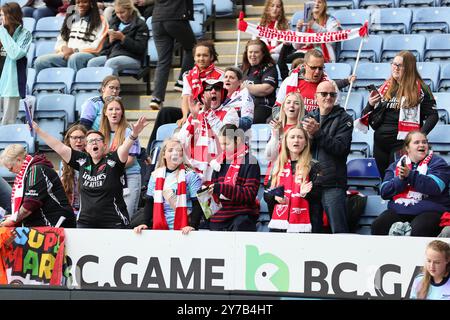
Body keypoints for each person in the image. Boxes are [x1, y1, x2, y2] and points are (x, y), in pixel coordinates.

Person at [32, 116, 149, 228]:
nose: (94, 143)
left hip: (114, 221)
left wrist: (134, 134)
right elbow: (59, 147)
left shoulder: (113, 159)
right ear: (86, 148)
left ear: (104, 145)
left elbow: (124, 147)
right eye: (90, 141)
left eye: (98, 140)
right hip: (85, 222)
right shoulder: (82, 161)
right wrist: (38, 130)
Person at [359, 51, 438, 178]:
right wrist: (370, 104)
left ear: (409, 68)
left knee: (397, 178)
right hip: (380, 143)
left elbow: (433, 116)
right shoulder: (385, 87)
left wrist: (419, 137)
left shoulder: (421, 88)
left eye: (400, 65)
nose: (395, 68)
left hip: (401, 143)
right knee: (385, 179)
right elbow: (366, 115)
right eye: (394, 64)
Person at [371, 131, 450, 237]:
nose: (421, 145)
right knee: (379, 224)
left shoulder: (438, 163)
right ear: (407, 148)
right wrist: (401, 180)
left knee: (418, 229)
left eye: (424, 142)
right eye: (416, 142)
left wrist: (410, 175)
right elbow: (385, 192)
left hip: (430, 211)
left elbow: (435, 187)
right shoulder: (396, 165)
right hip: (398, 210)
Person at [146, 41, 223, 149]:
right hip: (192, 111)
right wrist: (184, 115)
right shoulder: (188, 75)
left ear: (211, 57)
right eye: (198, 55)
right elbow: (186, 97)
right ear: (194, 57)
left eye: (205, 55)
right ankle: (151, 151)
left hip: (210, 112)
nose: (201, 58)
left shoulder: (220, 75)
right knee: (165, 112)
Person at [302, 80, 353, 233]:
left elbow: (341, 148)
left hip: (333, 183)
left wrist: (318, 133)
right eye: (324, 94)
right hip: (310, 183)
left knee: (339, 231)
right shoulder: (308, 117)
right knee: (312, 233)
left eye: (332, 94)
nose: (328, 97)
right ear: (316, 96)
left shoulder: (345, 118)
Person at [133, 137, 202, 234]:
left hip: (185, 229)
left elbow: (198, 204)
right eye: (170, 150)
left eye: (178, 150)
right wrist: (145, 223)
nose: (175, 153)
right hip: (160, 228)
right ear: (164, 155)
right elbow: (149, 202)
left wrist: (192, 225)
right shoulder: (155, 175)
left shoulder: (191, 175)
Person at [0, 144, 75, 228]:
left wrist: (13, 219)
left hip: (56, 223)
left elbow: (30, 204)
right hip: (47, 224)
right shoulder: (30, 171)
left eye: (11, 168)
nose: (11, 171)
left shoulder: (37, 170)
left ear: (19, 160)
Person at [177, 79, 239, 182]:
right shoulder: (196, 114)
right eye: (208, 89)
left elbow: (227, 137)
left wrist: (208, 112)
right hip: (195, 173)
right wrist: (194, 118)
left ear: (222, 94)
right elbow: (181, 139)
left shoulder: (230, 112)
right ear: (202, 95)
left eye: (217, 88)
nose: (213, 91)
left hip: (218, 171)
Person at [264, 126, 321, 232]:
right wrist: (275, 197)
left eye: (300, 137)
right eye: (292, 137)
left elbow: (319, 195)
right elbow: (266, 193)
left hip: (306, 226)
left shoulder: (314, 165)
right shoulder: (277, 165)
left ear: (305, 143)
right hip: (280, 225)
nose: (296, 140)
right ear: (285, 142)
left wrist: (305, 194)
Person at [207, 124, 260, 231]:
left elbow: (249, 195)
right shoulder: (219, 162)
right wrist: (207, 192)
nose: (223, 147)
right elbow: (216, 191)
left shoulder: (251, 161)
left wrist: (223, 188)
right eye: (221, 144)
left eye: (226, 143)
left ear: (238, 140)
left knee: (241, 223)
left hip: (242, 213)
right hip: (222, 214)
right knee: (211, 221)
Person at [34, 0, 108, 74]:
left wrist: (75, 51)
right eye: (78, 2)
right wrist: (63, 48)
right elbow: (61, 39)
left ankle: (74, 84)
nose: (81, 5)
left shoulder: (101, 20)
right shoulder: (71, 19)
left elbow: (98, 46)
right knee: (40, 62)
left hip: (87, 54)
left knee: (75, 58)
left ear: (91, 4)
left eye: (85, 2)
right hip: (66, 54)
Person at [147, 0, 196, 110]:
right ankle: (182, 81)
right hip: (175, 17)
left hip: (157, 20)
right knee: (193, 49)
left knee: (163, 60)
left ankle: (156, 98)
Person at [99, 96, 142, 219]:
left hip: (129, 177)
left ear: (122, 112)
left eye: (117, 109)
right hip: (108, 177)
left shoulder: (129, 132)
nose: (114, 112)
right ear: (105, 112)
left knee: (126, 215)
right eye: (110, 109)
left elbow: (130, 159)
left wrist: (109, 165)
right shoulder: (100, 133)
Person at [275, 49, 352, 113]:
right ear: (305, 66)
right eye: (313, 68)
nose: (317, 72)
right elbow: (277, 109)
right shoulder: (290, 82)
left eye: (320, 68)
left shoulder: (330, 86)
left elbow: (335, 113)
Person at [87, 0, 149, 74]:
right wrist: (109, 41)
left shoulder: (140, 24)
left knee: (111, 63)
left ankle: (111, 85)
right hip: (113, 54)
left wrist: (123, 38)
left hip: (133, 58)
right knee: (92, 62)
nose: (120, 16)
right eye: (117, 13)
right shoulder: (114, 23)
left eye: (122, 12)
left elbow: (140, 48)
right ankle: (96, 85)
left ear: (130, 10)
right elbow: (105, 48)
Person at [0, 2, 32, 125]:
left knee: (8, 123)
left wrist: (2, 32)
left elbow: (15, 54)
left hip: (12, 85)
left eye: (3, 15)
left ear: (12, 15)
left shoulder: (25, 34)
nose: (1, 18)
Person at [241, 39, 278, 124]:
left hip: (262, 106)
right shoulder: (243, 68)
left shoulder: (269, 67)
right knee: (231, 120)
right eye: (250, 52)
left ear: (263, 54)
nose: (252, 55)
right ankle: (233, 137)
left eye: (256, 52)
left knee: (250, 121)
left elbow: (266, 89)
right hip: (243, 104)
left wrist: (242, 87)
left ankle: (243, 136)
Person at [265, 92, 305, 164]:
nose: (291, 105)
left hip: (295, 169)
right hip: (276, 168)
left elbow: (300, 154)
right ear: (283, 107)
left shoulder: (304, 128)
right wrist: (275, 136)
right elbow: (269, 156)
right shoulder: (277, 126)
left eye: (296, 103)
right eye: (288, 102)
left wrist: (282, 136)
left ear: (301, 108)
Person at [60, 124, 87, 216]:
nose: (78, 141)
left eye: (82, 137)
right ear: (69, 140)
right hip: (71, 208)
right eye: (75, 138)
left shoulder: (93, 159)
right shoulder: (63, 161)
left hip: (87, 208)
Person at [222, 66, 254, 132]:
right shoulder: (217, 96)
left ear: (239, 82)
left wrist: (232, 120)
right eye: (226, 77)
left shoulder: (245, 97)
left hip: (236, 136)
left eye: (231, 78)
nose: (227, 79)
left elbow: (247, 122)